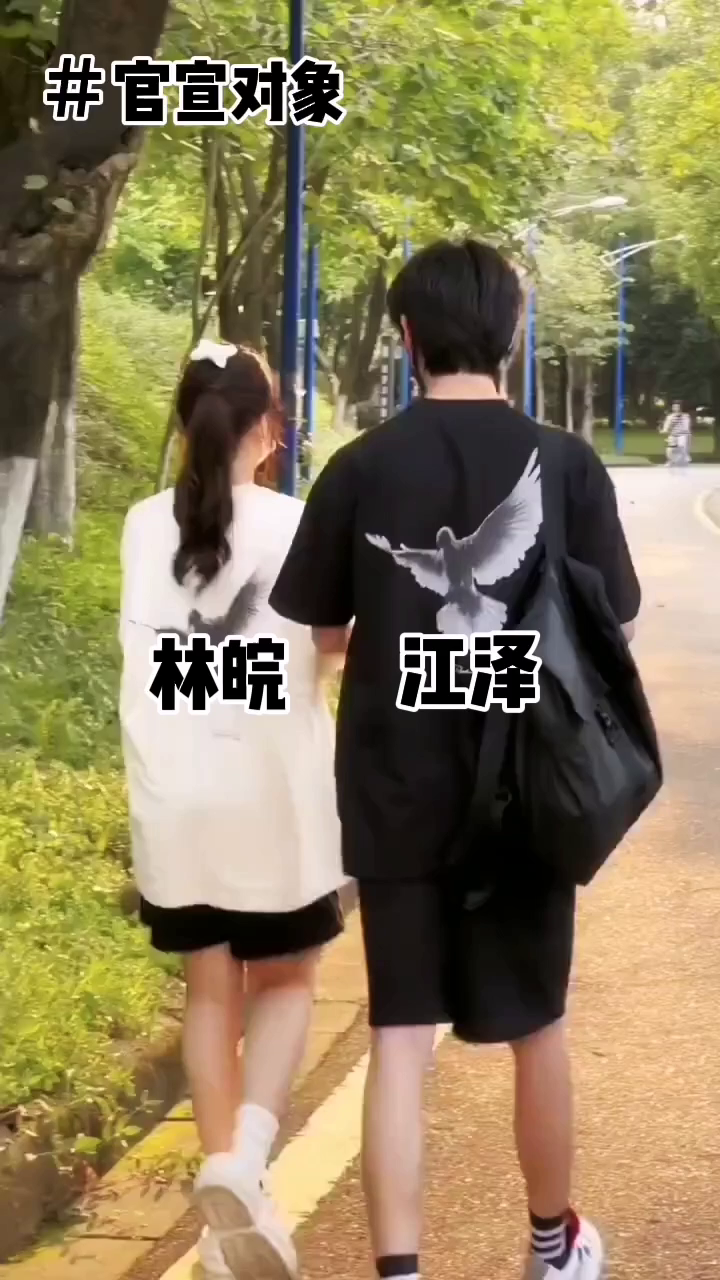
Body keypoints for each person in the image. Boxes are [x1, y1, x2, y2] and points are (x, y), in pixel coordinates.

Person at [269, 241, 641, 1280]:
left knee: (398, 1034)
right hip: (532, 788)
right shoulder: (565, 464)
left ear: (407, 339)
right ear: (511, 337)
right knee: (538, 1028)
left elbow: (323, 631)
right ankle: (552, 1247)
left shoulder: (361, 467)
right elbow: (615, 619)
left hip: (395, 789)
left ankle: (400, 1270)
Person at [118, 341, 345, 1280]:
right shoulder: (298, 523)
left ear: (185, 423)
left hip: (174, 799)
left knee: (209, 992)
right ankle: (245, 1159)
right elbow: (334, 642)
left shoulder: (141, 526)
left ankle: (225, 1232)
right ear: (268, 430)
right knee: (286, 981)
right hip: (270, 795)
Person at [660, 400, 692, 465]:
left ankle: (684, 457)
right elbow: (667, 426)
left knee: (681, 446)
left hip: (682, 435)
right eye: (674, 407)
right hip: (673, 435)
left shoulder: (685, 416)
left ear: (680, 408)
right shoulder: (670, 417)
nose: (675, 408)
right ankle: (671, 460)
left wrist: (687, 433)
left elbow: (686, 427)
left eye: (677, 407)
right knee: (670, 449)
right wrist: (664, 430)